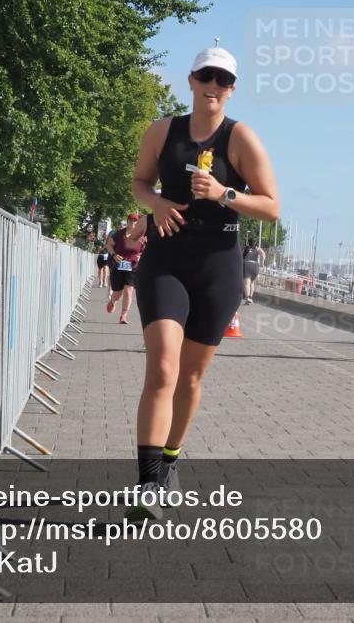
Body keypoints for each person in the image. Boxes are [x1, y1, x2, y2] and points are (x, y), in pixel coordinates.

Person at [127, 45, 279, 520]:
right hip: (166, 260)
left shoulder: (240, 139)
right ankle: (148, 485)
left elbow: (272, 206)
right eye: (206, 76)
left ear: (232, 90)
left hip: (218, 266)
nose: (214, 86)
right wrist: (156, 204)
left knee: (191, 377)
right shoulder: (162, 131)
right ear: (191, 80)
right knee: (163, 370)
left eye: (224, 80)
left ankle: (171, 461)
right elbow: (138, 182)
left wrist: (224, 193)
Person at [106, 214, 146, 324]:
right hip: (119, 266)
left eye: (135, 221)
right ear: (127, 222)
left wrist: (141, 256)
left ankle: (123, 315)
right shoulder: (119, 234)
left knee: (128, 291)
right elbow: (109, 245)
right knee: (117, 293)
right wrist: (114, 255)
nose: (133, 223)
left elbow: (147, 249)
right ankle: (113, 301)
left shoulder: (142, 236)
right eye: (131, 221)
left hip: (133, 266)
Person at [241, 237, 266, 304]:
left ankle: (247, 297)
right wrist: (262, 263)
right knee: (252, 282)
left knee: (246, 282)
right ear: (256, 243)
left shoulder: (246, 248)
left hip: (247, 265)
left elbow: (240, 256)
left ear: (248, 242)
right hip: (255, 266)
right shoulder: (257, 248)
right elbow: (263, 254)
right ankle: (250, 297)